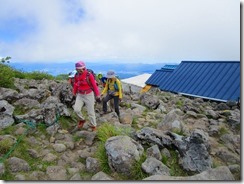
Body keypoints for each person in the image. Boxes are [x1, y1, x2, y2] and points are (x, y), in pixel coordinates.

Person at [72, 61, 101, 131]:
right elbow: (76, 85)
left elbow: (94, 85)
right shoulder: (76, 75)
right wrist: (74, 94)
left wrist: (97, 95)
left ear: (84, 68)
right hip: (80, 95)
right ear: (76, 69)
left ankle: (93, 126)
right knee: (76, 110)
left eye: (82, 69)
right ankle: (82, 120)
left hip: (89, 95)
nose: (80, 70)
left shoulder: (89, 75)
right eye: (78, 69)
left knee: (91, 112)